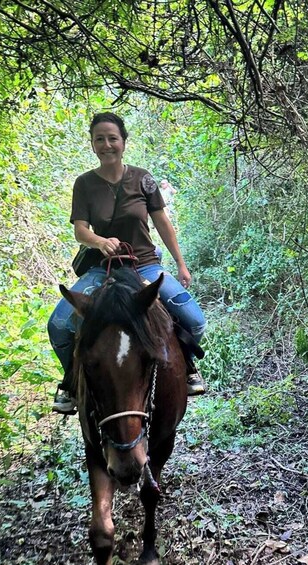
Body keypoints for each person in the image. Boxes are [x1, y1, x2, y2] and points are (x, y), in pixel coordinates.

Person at [47, 112, 207, 414]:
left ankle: (186, 368)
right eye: (100, 139)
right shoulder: (84, 184)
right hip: (101, 269)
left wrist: (180, 264)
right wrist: (100, 241)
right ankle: (71, 382)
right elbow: (80, 229)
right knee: (57, 325)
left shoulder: (143, 179)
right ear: (93, 144)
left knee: (194, 320)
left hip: (144, 264)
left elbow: (162, 223)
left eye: (112, 138)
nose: (107, 144)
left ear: (123, 141)